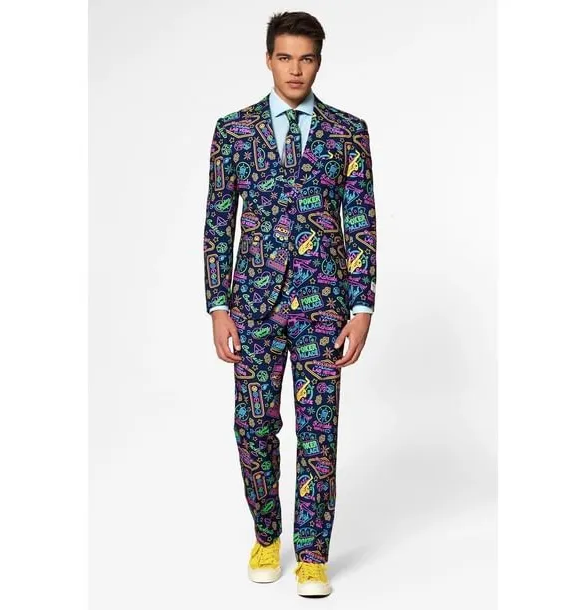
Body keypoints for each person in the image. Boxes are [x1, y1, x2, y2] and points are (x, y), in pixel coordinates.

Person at [202, 11, 377, 598]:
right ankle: (266, 535)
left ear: (319, 62)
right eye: (285, 57)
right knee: (253, 427)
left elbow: (361, 224)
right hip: (251, 307)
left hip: (324, 307)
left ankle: (312, 556)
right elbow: (218, 222)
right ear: (268, 59)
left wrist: (362, 308)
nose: (295, 69)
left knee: (319, 433)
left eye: (306, 58)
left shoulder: (347, 133)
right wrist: (217, 305)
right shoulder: (234, 132)